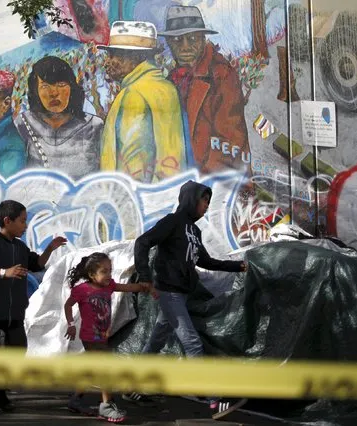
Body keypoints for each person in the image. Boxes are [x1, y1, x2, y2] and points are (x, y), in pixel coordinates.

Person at [123, 180, 248, 419]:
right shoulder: (172, 222)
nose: (207, 206)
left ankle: (131, 386)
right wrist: (145, 275)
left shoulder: (194, 231)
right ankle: (213, 400)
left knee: (156, 342)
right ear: (191, 199)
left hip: (180, 293)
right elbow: (143, 242)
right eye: (204, 200)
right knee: (192, 343)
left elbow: (206, 261)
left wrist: (238, 266)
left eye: (209, 202)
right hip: (169, 292)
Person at [0, 200, 67, 416]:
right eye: (22, 221)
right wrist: (5, 272)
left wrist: (50, 248)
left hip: (13, 313)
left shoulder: (21, 247)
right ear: (7, 221)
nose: (25, 225)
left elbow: (37, 264)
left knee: (16, 352)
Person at [64, 252, 153, 423]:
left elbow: (127, 288)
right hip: (90, 337)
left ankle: (75, 400)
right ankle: (106, 406)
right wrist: (70, 324)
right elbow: (68, 305)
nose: (109, 275)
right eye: (104, 271)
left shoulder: (109, 286)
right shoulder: (82, 290)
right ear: (92, 274)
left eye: (110, 271)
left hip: (103, 336)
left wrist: (144, 287)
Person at [161, 6, 250, 174]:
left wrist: (200, 188)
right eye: (178, 40)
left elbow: (230, 143)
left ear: (203, 39)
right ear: (169, 43)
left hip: (218, 185)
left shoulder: (221, 75)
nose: (185, 46)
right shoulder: (172, 79)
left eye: (192, 38)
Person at [98, 20, 187, 183]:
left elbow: (132, 162)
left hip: (137, 199)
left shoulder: (133, 94)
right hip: (168, 194)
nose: (107, 62)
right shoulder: (167, 88)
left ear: (134, 57)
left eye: (113, 55)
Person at [14, 56, 103, 180]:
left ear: (71, 89)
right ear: (36, 91)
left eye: (61, 84)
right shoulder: (22, 124)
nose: (53, 93)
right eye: (45, 86)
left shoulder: (95, 126)